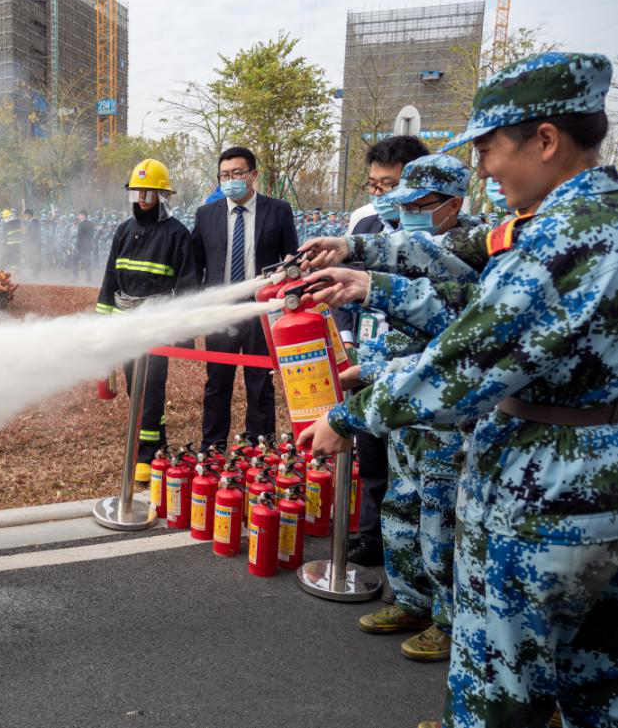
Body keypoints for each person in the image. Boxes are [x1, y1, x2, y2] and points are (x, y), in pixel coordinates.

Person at [297, 52, 617, 728]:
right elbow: (474, 300)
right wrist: (369, 275)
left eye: (488, 148)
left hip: (544, 496)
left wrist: (349, 416)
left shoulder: (563, 238)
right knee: (593, 687)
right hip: (587, 487)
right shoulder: (593, 219)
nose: (483, 168)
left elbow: (467, 361)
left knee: (500, 686)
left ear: (545, 139)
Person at [341, 154, 478, 665]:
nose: (406, 215)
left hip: (444, 419)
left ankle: (448, 621)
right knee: (401, 510)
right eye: (404, 206)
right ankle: (412, 601)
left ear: (453, 204)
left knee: (441, 524)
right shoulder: (408, 250)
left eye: (419, 206)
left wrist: (374, 372)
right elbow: (394, 323)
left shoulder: (472, 255)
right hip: (403, 415)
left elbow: (452, 341)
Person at [336, 134, 431, 568]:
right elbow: (344, 290)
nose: (379, 195)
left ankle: (414, 563)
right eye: (373, 185)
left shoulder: (437, 235)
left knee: (413, 470)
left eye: (389, 185)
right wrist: (348, 339)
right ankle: (372, 538)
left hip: (415, 371)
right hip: (366, 360)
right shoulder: (364, 228)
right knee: (371, 457)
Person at [97, 159, 197, 482]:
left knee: (151, 386)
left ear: (162, 195)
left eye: (149, 192)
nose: (142, 197)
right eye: (137, 191)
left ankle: (145, 455)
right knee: (134, 387)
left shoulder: (177, 234)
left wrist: (182, 331)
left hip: (156, 324)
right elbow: (110, 278)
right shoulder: (123, 231)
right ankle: (159, 441)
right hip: (126, 322)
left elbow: (187, 285)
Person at [191, 146, 298, 448]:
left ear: (253, 175)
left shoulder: (277, 210)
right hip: (221, 311)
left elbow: (291, 256)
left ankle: (260, 447)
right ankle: (212, 447)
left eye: (237, 173)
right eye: (224, 175)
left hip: (260, 309)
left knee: (260, 382)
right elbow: (196, 264)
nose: (230, 180)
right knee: (217, 382)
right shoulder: (206, 214)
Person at [74, 210, 96, 283]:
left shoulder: (81, 224)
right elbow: (92, 235)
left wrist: (77, 246)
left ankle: (76, 277)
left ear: (83, 215)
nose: (78, 216)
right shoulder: (90, 224)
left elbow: (79, 236)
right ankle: (88, 278)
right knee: (87, 262)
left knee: (74, 260)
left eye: (79, 215)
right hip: (88, 246)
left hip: (81, 246)